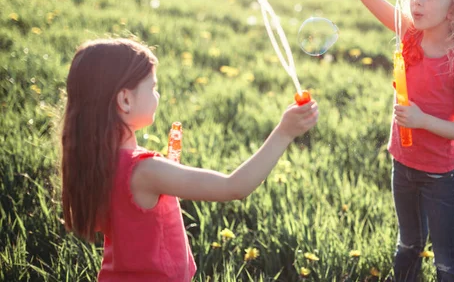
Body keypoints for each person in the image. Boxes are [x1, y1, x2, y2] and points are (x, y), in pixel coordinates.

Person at [60, 38, 319, 282]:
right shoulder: (146, 171)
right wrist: (284, 132)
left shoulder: (97, 161)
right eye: (153, 87)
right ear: (125, 100)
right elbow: (234, 186)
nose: (157, 95)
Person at [354, 0, 454, 282]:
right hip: (403, 163)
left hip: (441, 176)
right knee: (408, 243)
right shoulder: (408, 33)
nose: (418, 0)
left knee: (446, 258)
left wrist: (422, 120)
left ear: (453, 9)